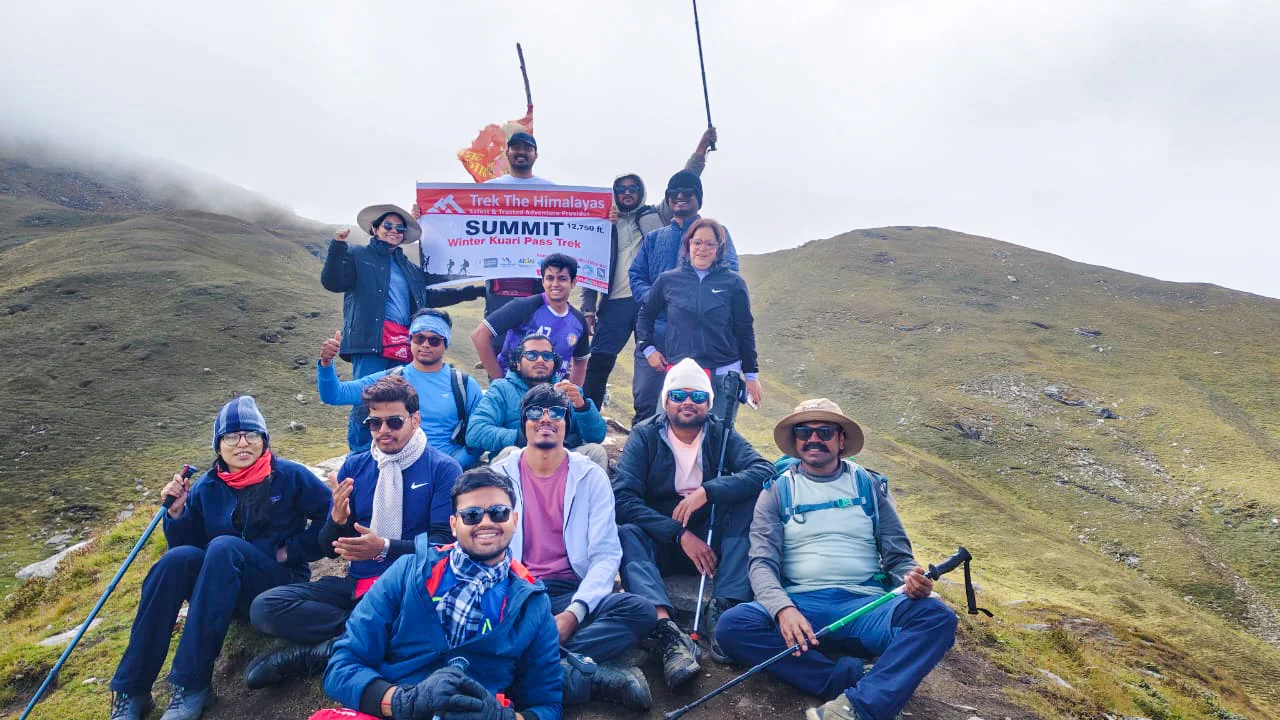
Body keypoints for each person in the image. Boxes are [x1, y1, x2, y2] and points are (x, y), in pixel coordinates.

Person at [715, 399, 959, 720]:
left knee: (937, 617)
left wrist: (910, 582)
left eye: (824, 431)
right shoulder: (776, 490)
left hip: (867, 605)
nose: (813, 438)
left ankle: (855, 708)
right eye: (804, 431)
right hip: (802, 604)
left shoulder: (870, 486)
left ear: (841, 440)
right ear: (796, 440)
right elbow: (762, 563)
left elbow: (899, 558)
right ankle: (851, 680)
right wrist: (783, 609)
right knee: (733, 626)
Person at [109, 397, 330, 720]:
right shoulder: (206, 488)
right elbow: (192, 550)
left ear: (264, 439)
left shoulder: (290, 476)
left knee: (225, 546)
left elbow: (331, 520)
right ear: (219, 444)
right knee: (175, 561)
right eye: (232, 436)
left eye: (251, 435)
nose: (243, 443)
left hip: (277, 584)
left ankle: (191, 685)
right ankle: (132, 689)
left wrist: (294, 551)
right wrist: (177, 513)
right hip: (222, 586)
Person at [245, 375, 462, 689]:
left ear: (415, 419)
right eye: (375, 423)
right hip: (358, 583)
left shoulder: (443, 468)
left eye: (394, 421)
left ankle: (316, 654)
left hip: (413, 586)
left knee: (421, 615)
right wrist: (336, 518)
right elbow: (330, 548)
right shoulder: (355, 467)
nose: (383, 430)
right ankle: (365, 633)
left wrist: (385, 547)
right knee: (265, 608)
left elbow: (444, 543)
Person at [318, 467, 562, 720]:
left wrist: (504, 718)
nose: (486, 522)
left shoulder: (532, 604)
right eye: (472, 515)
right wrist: (402, 702)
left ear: (514, 520)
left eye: (498, 513)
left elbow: (547, 704)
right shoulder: (407, 572)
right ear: (454, 525)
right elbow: (342, 667)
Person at [488, 384, 656, 710]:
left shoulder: (591, 477)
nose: (545, 419)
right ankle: (581, 675)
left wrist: (573, 614)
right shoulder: (498, 478)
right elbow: (486, 551)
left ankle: (533, 663)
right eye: (536, 412)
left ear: (567, 422)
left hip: (570, 590)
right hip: (516, 591)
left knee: (639, 611)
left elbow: (606, 555)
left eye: (556, 412)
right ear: (524, 423)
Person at [611, 359, 773, 688]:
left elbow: (763, 471)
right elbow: (623, 499)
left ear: (709, 404)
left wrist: (707, 491)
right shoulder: (645, 436)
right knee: (627, 533)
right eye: (680, 394)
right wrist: (678, 534)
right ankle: (667, 632)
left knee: (751, 500)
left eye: (698, 396)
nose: (688, 402)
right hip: (663, 539)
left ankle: (725, 607)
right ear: (666, 400)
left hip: (712, 538)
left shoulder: (720, 433)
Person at [321, 203, 483, 450]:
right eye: (388, 225)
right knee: (367, 399)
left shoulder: (410, 269)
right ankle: (360, 454)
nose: (393, 230)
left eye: (399, 227)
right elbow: (332, 282)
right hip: (370, 342)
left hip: (404, 342)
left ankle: (402, 450)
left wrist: (477, 290)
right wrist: (338, 245)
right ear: (375, 228)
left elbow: (432, 297)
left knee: (402, 400)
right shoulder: (358, 256)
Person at [579, 128, 717, 410]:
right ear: (614, 193)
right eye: (621, 189)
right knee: (600, 360)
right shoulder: (603, 224)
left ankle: (656, 418)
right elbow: (591, 266)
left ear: (641, 192)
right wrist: (588, 308)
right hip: (615, 303)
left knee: (655, 366)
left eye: (633, 188)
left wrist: (701, 151)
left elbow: (684, 184)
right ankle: (586, 417)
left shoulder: (656, 215)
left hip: (651, 303)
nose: (627, 193)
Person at [628, 171, 741, 424]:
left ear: (698, 199)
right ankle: (644, 459)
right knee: (647, 403)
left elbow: (729, 278)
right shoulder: (655, 238)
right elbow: (636, 276)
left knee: (700, 407)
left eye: (687, 193)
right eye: (673, 193)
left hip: (700, 340)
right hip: (656, 336)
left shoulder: (718, 235)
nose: (679, 197)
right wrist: (659, 300)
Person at [315, 308, 484, 464]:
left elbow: (479, 437)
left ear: (445, 344)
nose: (425, 345)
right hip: (396, 468)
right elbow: (335, 395)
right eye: (419, 338)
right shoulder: (390, 379)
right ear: (410, 340)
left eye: (434, 340)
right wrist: (326, 363)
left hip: (446, 472)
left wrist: (454, 465)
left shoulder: (464, 385)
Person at [636, 217, 762, 425]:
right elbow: (645, 315)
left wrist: (751, 376)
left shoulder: (734, 283)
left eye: (710, 244)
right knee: (665, 433)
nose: (702, 249)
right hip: (679, 374)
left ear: (719, 248)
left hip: (722, 376)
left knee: (717, 441)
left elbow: (745, 331)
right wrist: (648, 349)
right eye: (697, 242)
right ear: (688, 245)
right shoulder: (668, 280)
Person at [465, 334, 609, 470]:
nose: (540, 360)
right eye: (531, 355)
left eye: (547, 356)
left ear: (555, 363)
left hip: (560, 459)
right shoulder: (502, 389)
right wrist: (523, 437)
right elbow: (475, 432)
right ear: (518, 363)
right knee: (510, 453)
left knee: (595, 452)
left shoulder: (569, 391)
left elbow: (596, 436)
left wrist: (582, 407)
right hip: (519, 458)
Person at [471, 253, 590, 386]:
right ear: (543, 281)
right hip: (513, 390)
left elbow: (581, 361)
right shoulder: (524, 306)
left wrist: (573, 395)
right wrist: (499, 381)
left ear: (573, 282)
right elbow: (480, 335)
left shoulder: (578, 321)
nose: (555, 284)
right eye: (550, 278)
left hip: (550, 396)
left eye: (562, 279)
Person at [481, 131, 554, 315]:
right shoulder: (488, 189)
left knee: (537, 340)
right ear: (507, 153)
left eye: (528, 149)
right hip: (499, 281)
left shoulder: (552, 190)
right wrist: (425, 214)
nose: (522, 152)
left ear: (535, 155)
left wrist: (606, 217)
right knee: (496, 338)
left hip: (538, 281)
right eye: (516, 147)